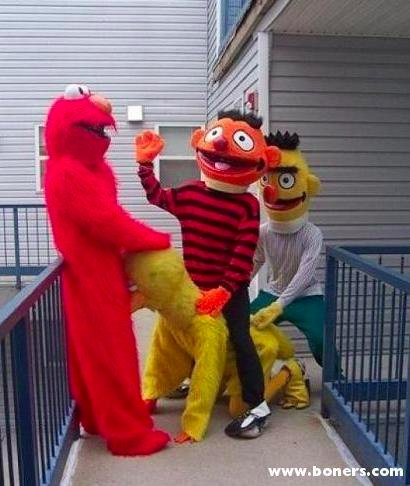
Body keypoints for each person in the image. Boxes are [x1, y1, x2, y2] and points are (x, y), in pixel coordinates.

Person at [135, 111, 281, 438]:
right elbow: (157, 196)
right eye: (217, 138)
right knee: (175, 334)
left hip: (229, 290)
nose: (222, 146)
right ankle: (173, 381)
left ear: (263, 160)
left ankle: (258, 405)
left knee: (240, 339)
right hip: (193, 288)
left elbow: (244, 253)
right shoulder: (190, 193)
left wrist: (224, 291)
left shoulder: (247, 205)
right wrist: (144, 166)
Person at [44, 84, 171, 455]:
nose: (102, 135)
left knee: (92, 353)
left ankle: (99, 419)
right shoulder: (69, 172)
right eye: (96, 129)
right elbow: (107, 221)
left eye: (103, 129)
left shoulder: (86, 169)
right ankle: (128, 434)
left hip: (94, 270)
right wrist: (156, 240)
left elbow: (107, 219)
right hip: (92, 274)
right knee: (113, 354)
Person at [251, 131, 324, 367]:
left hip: (307, 295)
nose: (273, 190)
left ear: (308, 186)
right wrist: (232, 288)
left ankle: (336, 380)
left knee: (322, 339)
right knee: (243, 327)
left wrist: (279, 305)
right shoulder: (264, 232)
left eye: (285, 181)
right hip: (273, 291)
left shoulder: (312, 234)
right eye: (266, 180)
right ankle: (248, 375)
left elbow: (304, 275)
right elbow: (255, 261)